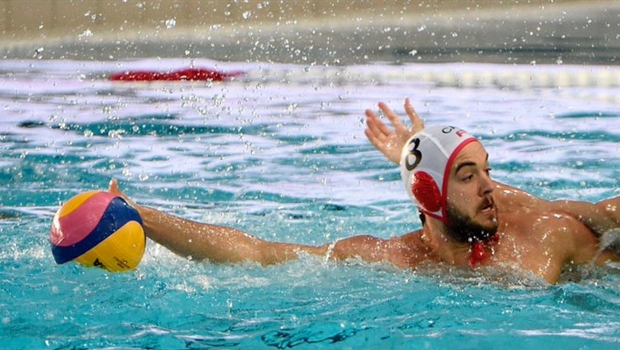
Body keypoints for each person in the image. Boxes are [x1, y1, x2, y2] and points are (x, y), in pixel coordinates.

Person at [108, 99, 620, 284]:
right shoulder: (395, 258)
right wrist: (145, 219)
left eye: (487, 170)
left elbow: (608, 217)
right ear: (430, 199)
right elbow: (258, 253)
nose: (490, 189)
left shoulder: (540, 228)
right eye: (468, 176)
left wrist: (417, 155)